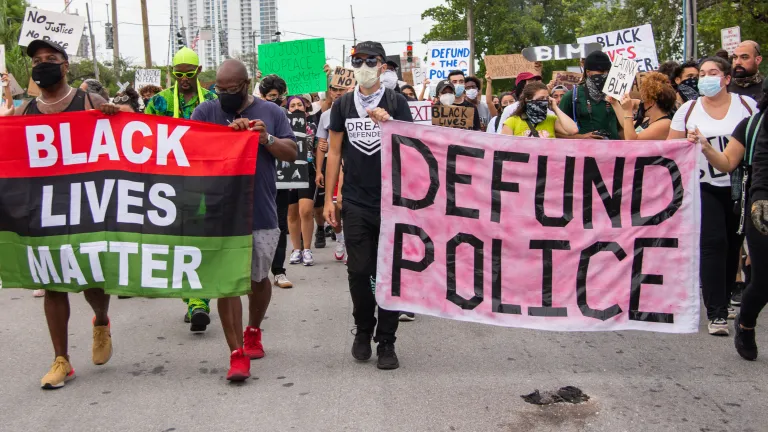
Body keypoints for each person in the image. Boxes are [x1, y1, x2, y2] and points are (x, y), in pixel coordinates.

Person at [1, 40, 111, 389]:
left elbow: (119, 142)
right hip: (45, 207)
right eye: (37, 60)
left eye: (50, 59)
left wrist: (115, 117)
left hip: (87, 204)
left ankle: (102, 321)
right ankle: (61, 359)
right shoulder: (24, 113)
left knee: (90, 278)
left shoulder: (89, 102)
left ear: (66, 66)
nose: (42, 64)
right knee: (52, 282)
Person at [191, 59, 298, 380]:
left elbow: (292, 152)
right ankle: (236, 353)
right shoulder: (205, 113)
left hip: (261, 211)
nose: (224, 95)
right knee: (227, 284)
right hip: (219, 211)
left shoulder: (272, 113)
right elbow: (190, 152)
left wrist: (265, 139)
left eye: (231, 90)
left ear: (247, 84)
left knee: (257, 279)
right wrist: (224, 138)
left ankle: (253, 329)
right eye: (219, 90)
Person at [324, 41, 414, 370]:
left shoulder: (397, 102)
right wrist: (331, 198)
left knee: (389, 273)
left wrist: (388, 124)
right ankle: (363, 329)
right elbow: (334, 152)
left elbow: (413, 149)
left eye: (369, 60)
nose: (363, 66)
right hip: (356, 200)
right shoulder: (344, 105)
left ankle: (387, 340)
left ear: (382, 65)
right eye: (357, 60)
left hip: (393, 201)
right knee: (359, 271)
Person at [668, 56, 758, 335]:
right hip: (702, 185)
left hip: (738, 185)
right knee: (713, 242)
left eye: (713, 72)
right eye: (702, 73)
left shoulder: (747, 106)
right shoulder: (688, 109)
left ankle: (728, 292)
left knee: (733, 243)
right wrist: (688, 144)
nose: (706, 78)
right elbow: (670, 147)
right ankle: (716, 312)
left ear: (727, 78)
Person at [144, 47, 218, 331]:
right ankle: (190, 297)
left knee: (201, 241)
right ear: (171, 72)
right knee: (175, 244)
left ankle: (199, 302)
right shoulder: (159, 102)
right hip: (169, 185)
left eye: (189, 73)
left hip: (205, 182)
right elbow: (145, 140)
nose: (184, 78)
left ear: (198, 72)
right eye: (178, 73)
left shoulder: (213, 101)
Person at [739, 79, 768, 360]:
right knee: (763, 281)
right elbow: (762, 160)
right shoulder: (761, 122)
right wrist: (760, 199)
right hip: (764, 201)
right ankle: (746, 323)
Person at [259, 75, 294, 289]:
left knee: (279, 225)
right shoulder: (250, 113)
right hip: (259, 181)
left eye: (280, 96)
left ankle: (279, 271)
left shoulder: (284, 115)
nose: (277, 100)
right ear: (262, 95)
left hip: (282, 179)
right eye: (272, 96)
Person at [315, 81, 348, 262]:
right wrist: (319, 171)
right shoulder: (325, 116)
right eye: (334, 89)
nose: (337, 92)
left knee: (347, 205)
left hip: (352, 165)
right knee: (334, 207)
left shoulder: (357, 112)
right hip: (333, 166)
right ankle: (341, 238)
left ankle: (352, 242)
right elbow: (322, 145)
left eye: (341, 89)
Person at [285, 95, 318, 266]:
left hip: (307, 170)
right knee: (292, 213)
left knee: (305, 211)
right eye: (293, 105)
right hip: (288, 171)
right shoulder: (282, 126)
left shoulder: (312, 126)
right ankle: (296, 249)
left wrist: (320, 171)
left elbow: (320, 148)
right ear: (287, 109)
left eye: (300, 105)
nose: (297, 108)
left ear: (306, 108)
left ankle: (307, 249)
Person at [558, 51, 619, 139]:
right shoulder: (571, 97)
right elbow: (557, 133)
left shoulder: (615, 96)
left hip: (616, 150)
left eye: (607, 71)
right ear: (588, 72)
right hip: (585, 151)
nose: (605, 74)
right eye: (601, 71)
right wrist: (582, 137)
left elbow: (622, 129)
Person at [609, 71, 676, 140]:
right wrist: (614, 103)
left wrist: (627, 110)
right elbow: (627, 125)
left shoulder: (665, 123)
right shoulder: (648, 120)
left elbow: (631, 140)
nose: (641, 103)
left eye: (643, 99)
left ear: (651, 102)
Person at [500, 82, 577, 138]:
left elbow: (573, 130)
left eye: (546, 98)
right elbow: (504, 151)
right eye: (540, 99)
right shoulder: (512, 122)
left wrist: (555, 108)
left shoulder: (551, 120)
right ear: (527, 100)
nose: (544, 102)